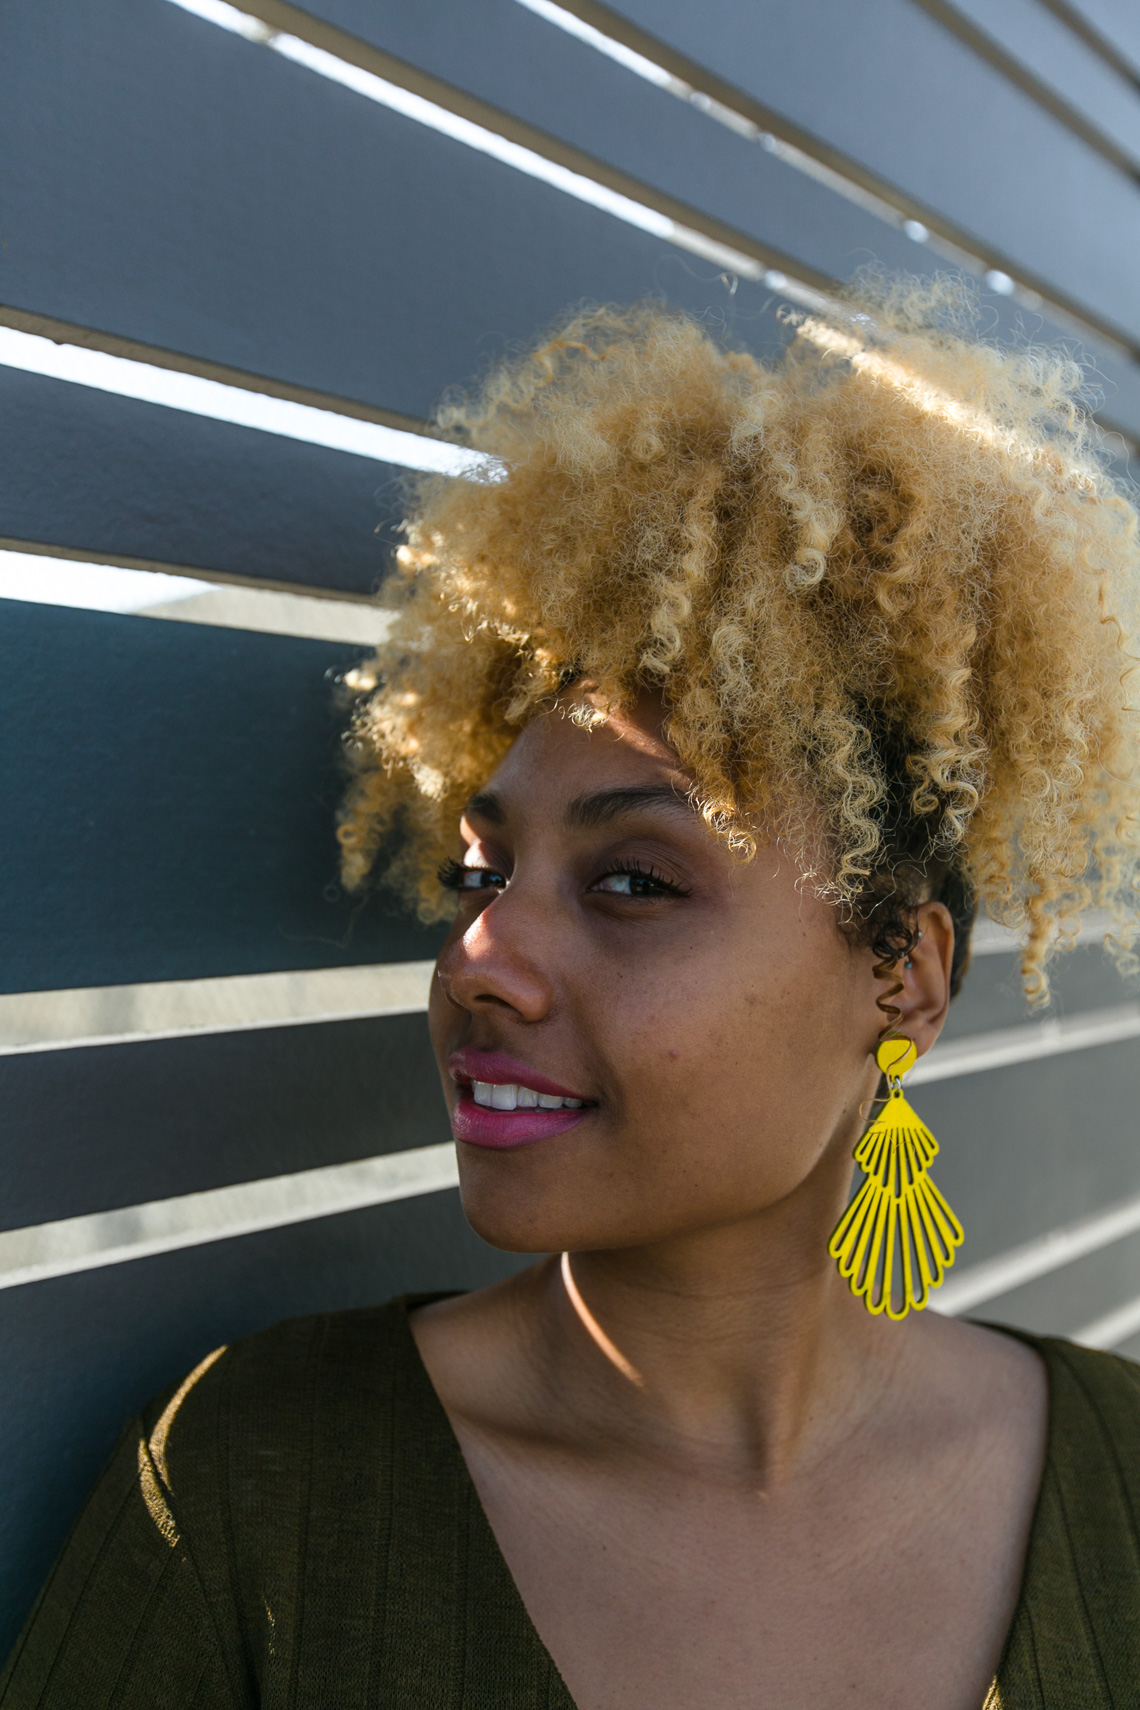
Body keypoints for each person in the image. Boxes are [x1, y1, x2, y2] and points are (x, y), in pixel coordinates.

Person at [4, 277, 1140, 1709]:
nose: (478, 960)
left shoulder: (1117, 1488)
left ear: (902, 975)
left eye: (635, 881)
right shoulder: (252, 1496)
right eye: (485, 872)